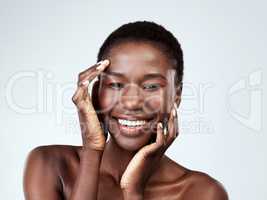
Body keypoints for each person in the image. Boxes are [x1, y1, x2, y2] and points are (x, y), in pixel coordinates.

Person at [23, 21, 228, 200]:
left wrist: (133, 191)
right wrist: (92, 151)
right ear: (95, 93)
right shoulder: (50, 166)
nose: (131, 103)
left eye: (151, 87)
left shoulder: (201, 192)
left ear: (177, 95)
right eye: (116, 85)